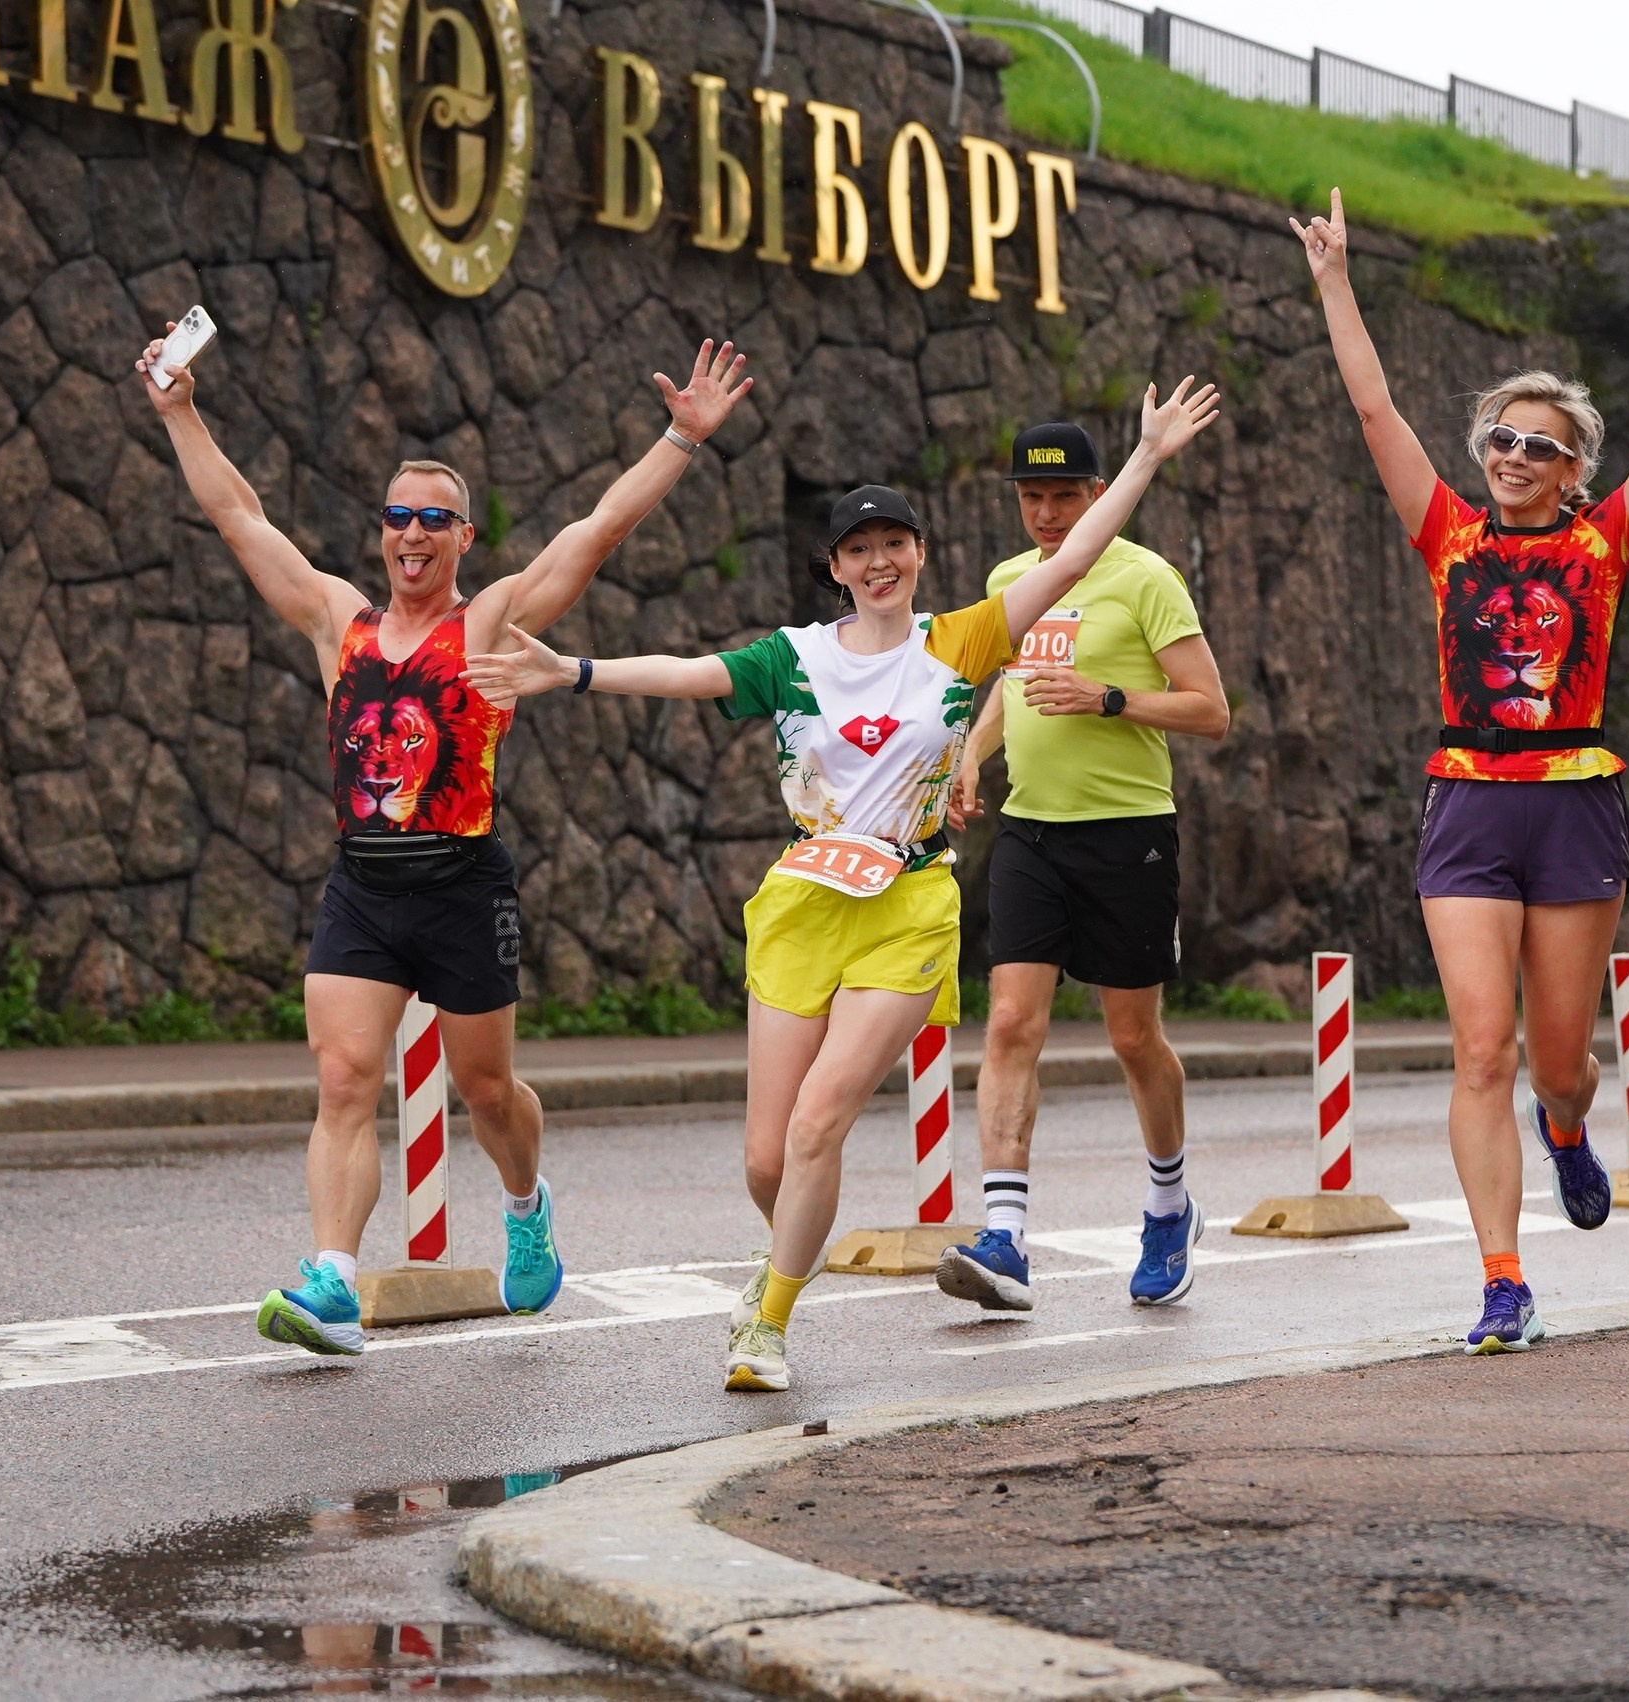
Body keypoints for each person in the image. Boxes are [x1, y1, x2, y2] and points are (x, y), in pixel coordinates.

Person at [464, 379, 1223, 1394]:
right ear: (834, 569)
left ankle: (767, 1325)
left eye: (894, 545)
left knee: (822, 1120)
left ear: (918, 556)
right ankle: (785, 1256)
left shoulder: (961, 640)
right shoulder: (795, 658)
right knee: (768, 1159)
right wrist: (579, 670)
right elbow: (691, 672)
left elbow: (1078, 554)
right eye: (858, 550)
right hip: (802, 905)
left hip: (906, 906)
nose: (878, 562)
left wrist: (1146, 457)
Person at [136, 327, 753, 1357]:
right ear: (380, 533)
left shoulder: (493, 624)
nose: (411, 533)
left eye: (433, 519)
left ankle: (524, 1206)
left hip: (465, 883)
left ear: (463, 537)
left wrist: (680, 440)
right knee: (343, 1080)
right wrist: (178, 412)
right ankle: (334, 1280)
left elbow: (594, 531)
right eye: (396, 517)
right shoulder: (340, 620)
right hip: (364, 888)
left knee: (486, 1091)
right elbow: (236, 514)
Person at [1293, 191, 1629, 1354]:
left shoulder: (1603, 542)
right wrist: (1333, 278)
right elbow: (1372, 406)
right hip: (1469, 798)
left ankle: (1567, 1132)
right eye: (1500, 441)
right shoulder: (1446, 534)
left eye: (1540, 445)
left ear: (1575, 473)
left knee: (1560, 1061)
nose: (1514, 456)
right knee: (1481, 1047)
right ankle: (1501, 1278)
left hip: (1574, 803)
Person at [929, 422, 1232, 1314]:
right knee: (1011, 1023)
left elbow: (1211, 710)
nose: (1048, 513)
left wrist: (1109, 700)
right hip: (1031, 834)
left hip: (1129, 833)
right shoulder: (1009, 581)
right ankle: (1006, 1241)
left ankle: (1170, 1206)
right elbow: (1008, 679)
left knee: (1134, 1038)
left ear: (1099, 493)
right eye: (1032, 497)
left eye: (1064, 496)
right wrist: (970, 753)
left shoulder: (1145, 578)